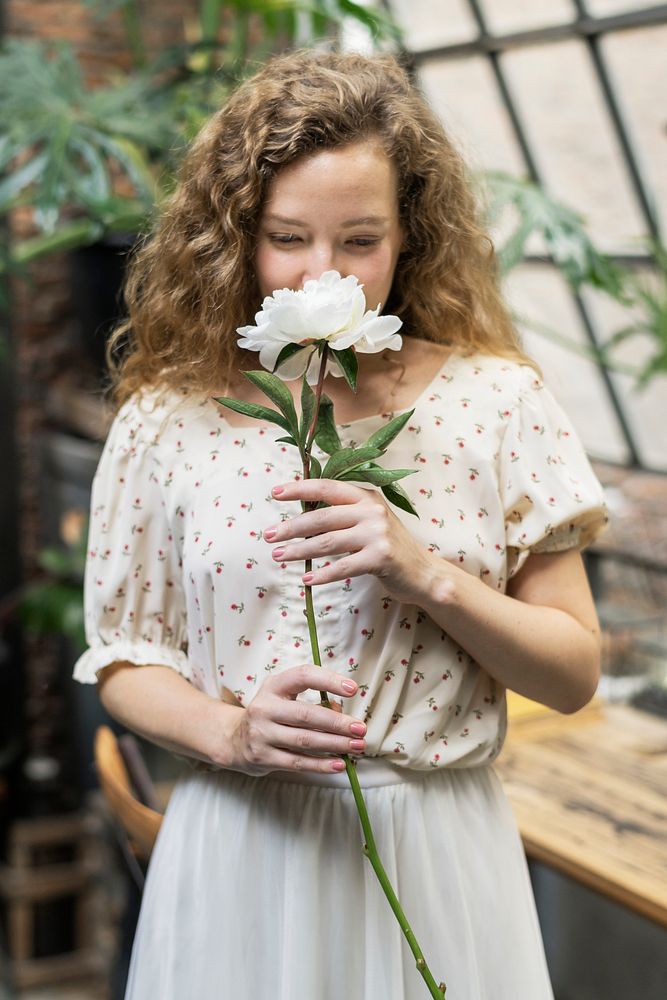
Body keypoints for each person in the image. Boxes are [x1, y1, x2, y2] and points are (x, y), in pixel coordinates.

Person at [74, 50, 607, 999]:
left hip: (433, 851)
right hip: (240, 841)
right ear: (234, 238)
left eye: (360, 241)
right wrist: (229, 733)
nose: (324, 276)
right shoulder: (169, 416)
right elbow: (123, 660)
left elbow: (570, 675)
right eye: (287, 238)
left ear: (412, 238)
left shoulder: (495, 403)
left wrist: (428, 574)